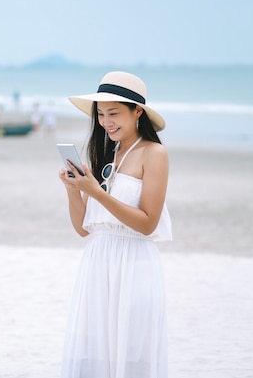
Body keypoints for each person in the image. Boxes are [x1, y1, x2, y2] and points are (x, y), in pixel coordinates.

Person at [58, 71, 172, 378]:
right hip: (97, 261)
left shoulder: (154, 153)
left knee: (132, 351)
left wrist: (95, 191)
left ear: (137, 111)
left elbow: (147, 223)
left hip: (134, 262)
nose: (106, 122)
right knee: (96, 353)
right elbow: (84, 228)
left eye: (114, 113)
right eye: (101, 115)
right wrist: (74, 191)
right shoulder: (107, 153)